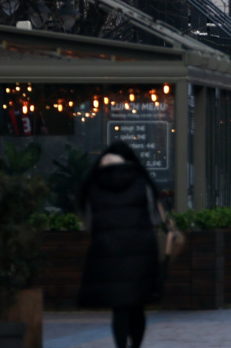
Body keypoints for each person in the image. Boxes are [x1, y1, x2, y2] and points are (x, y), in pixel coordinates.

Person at [77, 142, 164, 348]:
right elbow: (155, 218)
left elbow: (88, 222)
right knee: (137, 306)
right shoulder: (142, 181)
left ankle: (121, 346)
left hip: (108, 253)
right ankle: (136, 345)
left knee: (120, 308)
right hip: (141, 252)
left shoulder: (93, 184)